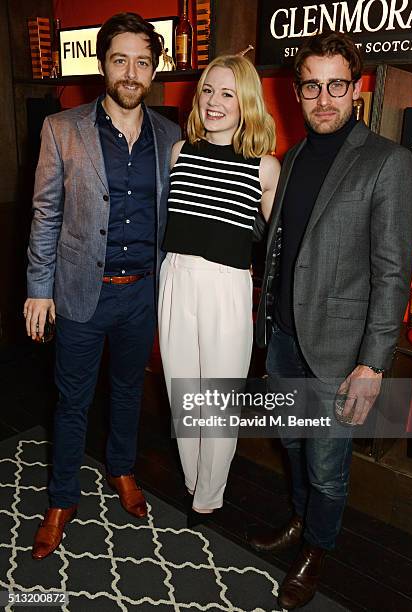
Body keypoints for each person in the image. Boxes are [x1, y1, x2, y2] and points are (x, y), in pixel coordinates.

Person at [247, 31, 412, 610]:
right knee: (294, 447)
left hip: (341, 351)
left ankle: (317, 548)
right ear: (297, 92)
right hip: (284, 343)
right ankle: (301, 522)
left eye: (337, 85)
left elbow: (393, 272)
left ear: (358, 88)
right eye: (313, 86)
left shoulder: (387, 161)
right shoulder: (292, 157)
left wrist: (374, 362)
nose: (325, 98)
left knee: (327, 465)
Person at [24, 12, 181, 560]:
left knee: (128, 391)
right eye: (121, 60)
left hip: (142, 293)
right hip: (79, 293)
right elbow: (45, 214)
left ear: (154, 68)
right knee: (71, 400)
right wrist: (38, 288)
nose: (131, 73)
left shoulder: (171, 134)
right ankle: (62, 499)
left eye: (142, 61)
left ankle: (122, 469)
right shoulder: (61, 129)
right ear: (102, 65)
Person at [158, 54, 280, 527]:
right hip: (176, 278)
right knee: (181, 393)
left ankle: (209, 496)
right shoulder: (179, 153)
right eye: (208, 90)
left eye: (227, 93)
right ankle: (193, 481)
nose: (214, 102)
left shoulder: (264, 168)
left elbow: (277, 245)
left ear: (246, 101)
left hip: (227, 287)